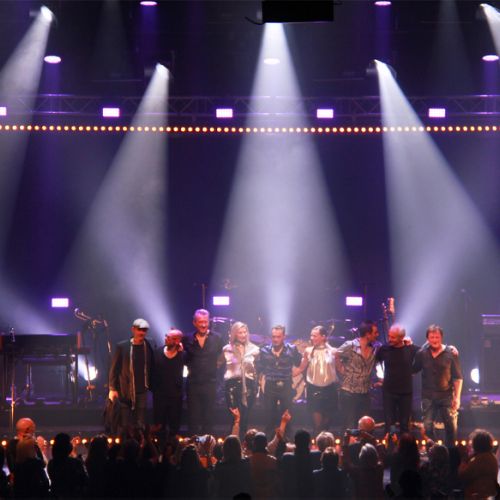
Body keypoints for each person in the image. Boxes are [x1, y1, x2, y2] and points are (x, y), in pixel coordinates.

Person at [413, 324, 463, 446]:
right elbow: (413, 370)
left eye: (437, 337)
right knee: (427, 427)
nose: (435, 340)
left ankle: (450, 452)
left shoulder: (451, 353)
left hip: (446, 396)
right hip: (428, 397)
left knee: (451, 427)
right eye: (432, 337)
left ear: (441, 338)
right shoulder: (422, 353)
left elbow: (458, 378)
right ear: (427, 339)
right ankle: (435, 450)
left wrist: (457, 398)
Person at [108, 318, 155, 431]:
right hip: (125, 390)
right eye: (139, 330)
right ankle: (124, 440)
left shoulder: (149, 345)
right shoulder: (122, 346)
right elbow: (114, 369)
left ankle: (139, 440)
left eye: (144, 330)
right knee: (124, 423)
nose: (142, 332)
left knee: (140, 422)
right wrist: (112, 388)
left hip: (142, 389)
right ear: (133, 329)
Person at [256, 325, 301, 437]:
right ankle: (269, 441)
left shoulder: (292, 349)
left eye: (278, 337)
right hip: (270, 385)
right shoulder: (264, 350)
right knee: (269, 417)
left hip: (286, 386)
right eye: (273, 336)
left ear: (284, 337)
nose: (275, 339)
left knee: (287, 415)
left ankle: (287, 440)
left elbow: (299, 363)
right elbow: (259, 368)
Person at [184, 308, 224, 435]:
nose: (203, 325)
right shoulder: (187, 338)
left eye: (205, 322)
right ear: (194, 323)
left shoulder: (217, 338)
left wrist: (215, 367)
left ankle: (208, 444)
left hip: (210, 383)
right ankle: (193, 444)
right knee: (193, 417)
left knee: (209, 417)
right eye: (200, 322)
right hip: (193, 383)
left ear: (209, 322)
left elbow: (222, 357)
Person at [335, 320, 381, 429]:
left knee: (364, 425)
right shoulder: (350, 345)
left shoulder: (375, 348)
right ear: (367, 334)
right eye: (375, 332)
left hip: (364, 392)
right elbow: (336, 354)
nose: (377, 335)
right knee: (349, 425)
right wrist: (341, 370)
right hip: (349, 392)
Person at [376, 323, 419, 435]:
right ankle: (390, 445)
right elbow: (375, 362)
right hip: (389, 392)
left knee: (404, 425)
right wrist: (380, 378)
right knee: (390, 424)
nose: (389, 339)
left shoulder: (411, 349)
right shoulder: (384, 349)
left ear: (401, 338)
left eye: (393, 337)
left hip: (405, 393)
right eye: (389, 336)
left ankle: (404, 445)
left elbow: (428, 352)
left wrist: (450, 349)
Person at [293, 325, 338, 434]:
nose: (311, 338)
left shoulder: (333, 351)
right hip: (313, 387)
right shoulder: (308, 351)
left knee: (328, 419)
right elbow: (301, 368)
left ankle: (325, 437)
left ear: (323, 337)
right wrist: (286, 374)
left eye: (315, 336)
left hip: (330, 388)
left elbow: (340, 368)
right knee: (317, 421)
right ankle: (317, 438)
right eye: (311, 335)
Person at [222, 321, 260, 437]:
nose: (243, 335)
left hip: (249, 385)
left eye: (245, 332)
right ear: (234, 334)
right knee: (234, 415)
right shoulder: (227, 349)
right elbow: (218, 364)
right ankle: (232, 441)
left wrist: (257, 386)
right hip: (232, 385)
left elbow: (258, 369)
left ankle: (243, 441)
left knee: (245, 416)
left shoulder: (255, 349)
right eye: (240, 332)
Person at [152, 328, 185, 442]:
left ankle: (173, 448)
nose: (165, 338)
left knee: (174, 426)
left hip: (175, 396)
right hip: (159, 395)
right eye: (166, 336)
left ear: (177, 340)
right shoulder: (157, 353)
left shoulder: (183, 355)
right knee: (159, 425)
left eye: (169, 337)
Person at [458, 429, 499, 498]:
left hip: (477, 495)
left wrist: (464, 459)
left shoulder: (481, 459)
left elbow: (463, 475)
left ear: (477, 444)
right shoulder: (491, 457)